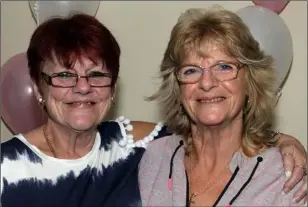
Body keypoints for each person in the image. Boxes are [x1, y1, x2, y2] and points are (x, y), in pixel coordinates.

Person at [0, 13, 306, 207]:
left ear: (113, 87)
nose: (83, 88)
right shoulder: (6, 169)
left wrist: (282, 141)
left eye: (97, 74)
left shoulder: (134, 145)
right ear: (40, 87)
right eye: (65, 75)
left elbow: (217, 130)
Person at [138, 6, 307, 206]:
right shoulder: (155, 157)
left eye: (224, 67)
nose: (207, 83)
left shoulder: (285, 177)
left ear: (250, 82)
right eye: (191, 70)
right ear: (178, 87)